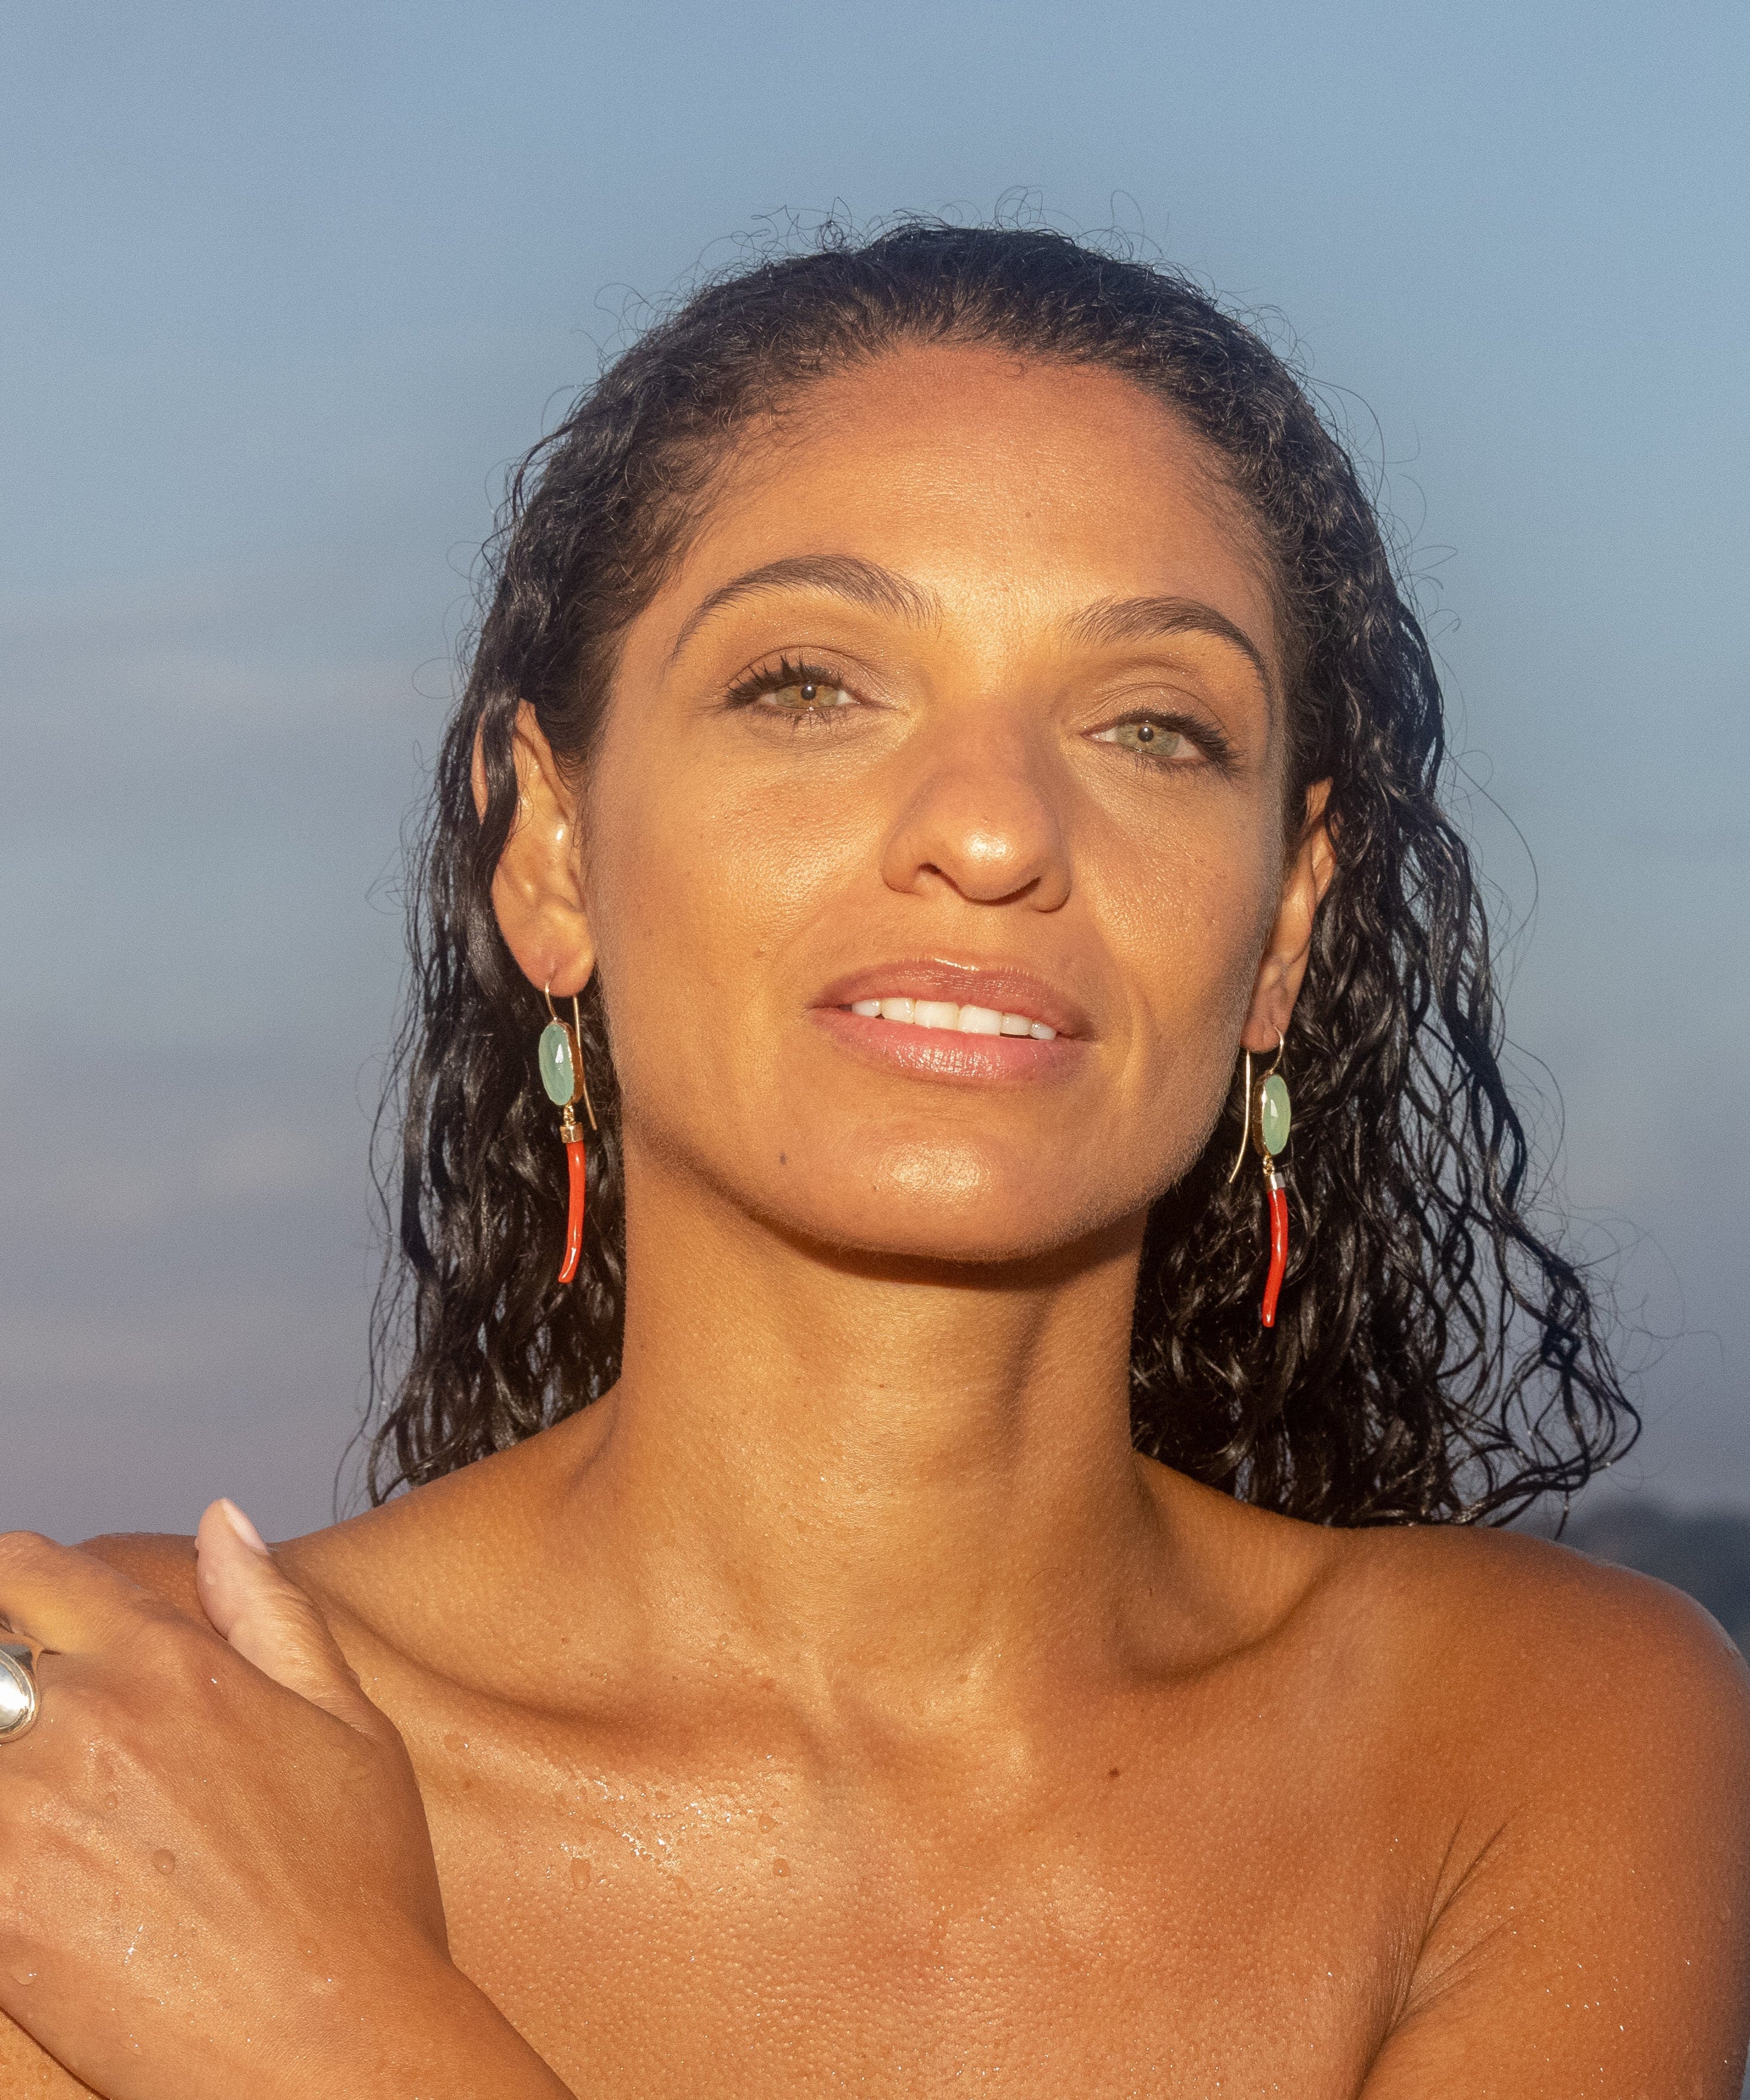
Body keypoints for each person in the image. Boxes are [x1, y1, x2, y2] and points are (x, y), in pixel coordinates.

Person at [1, 222, 1746, 2099]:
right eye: (812, 686)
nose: (993, 831)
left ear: (1286, 923)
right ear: (553, 854)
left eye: (1154, 725)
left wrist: (327, 2038)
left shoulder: (1541, 1739)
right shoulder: (111, 1757)